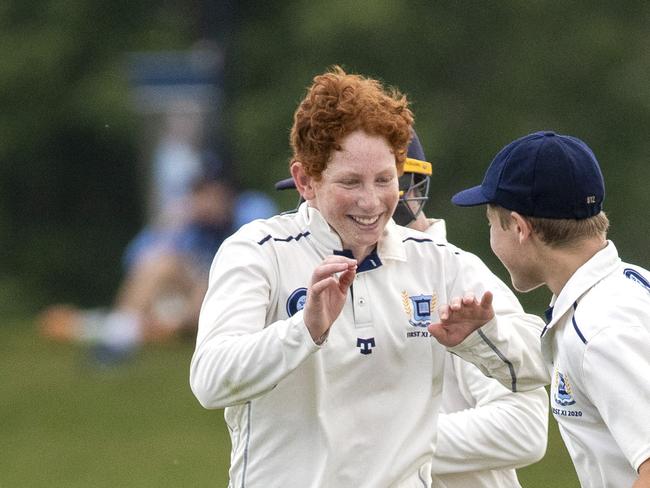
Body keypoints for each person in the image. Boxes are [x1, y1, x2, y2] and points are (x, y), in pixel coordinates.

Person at [189, 66, 548, 488]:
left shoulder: (438, 262)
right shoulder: (258, 250)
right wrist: (304, 330)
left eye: (384, 180)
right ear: (305, 180)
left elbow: (541, 365)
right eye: (350, 182)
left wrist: (485, 337)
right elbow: (210, 382)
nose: (371, 201)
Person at [275, 130, 549, 488]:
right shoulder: (329, 283)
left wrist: (375, 441)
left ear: (402, 192)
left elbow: (522, 429)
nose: (310, 210)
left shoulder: (458, 279)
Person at [451, 130, 650, 488]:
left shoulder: (598, 330)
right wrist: (484, 339)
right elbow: (570, 374)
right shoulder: (622, 286)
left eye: (492, 224)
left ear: (520, 227)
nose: (492, 238)